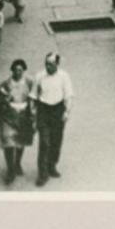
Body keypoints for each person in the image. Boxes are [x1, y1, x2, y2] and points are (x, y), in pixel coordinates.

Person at [32, 52, 74, 185]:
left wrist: (67, 111)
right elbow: (33, 95)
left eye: (51, 64)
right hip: (43, 110)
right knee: (44, 142)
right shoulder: (39, 76)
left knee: (56, 141)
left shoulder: (64, 76)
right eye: (46, 64)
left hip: (58, 110)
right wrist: (33, 112)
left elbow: (69, 95)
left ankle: (52, 166)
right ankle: (42, 174)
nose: (47, 67)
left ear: (57, 64)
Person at [0, 58, 34, 184]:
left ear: (23, 70)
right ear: (12, 70)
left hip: (24, 117)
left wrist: (33, 109)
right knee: (8, 143)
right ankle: (10, 169)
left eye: (20, 70)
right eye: (16, 70)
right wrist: (5, 100)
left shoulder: (29, 82)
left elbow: (35, 96)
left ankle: (17, 163)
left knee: (20, 142)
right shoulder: (6, 84)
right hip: (8, 116)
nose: (18, 72)